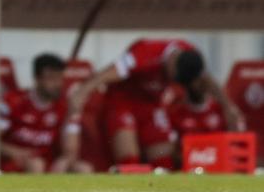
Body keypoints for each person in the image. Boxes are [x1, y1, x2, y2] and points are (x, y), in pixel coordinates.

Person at [69, 38, 244, 169]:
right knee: (129, 158)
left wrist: (228, 106)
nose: (171, 81)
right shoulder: (146, 51)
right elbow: (113, 70)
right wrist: (83, 91)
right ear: (172, 61)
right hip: (123, 102)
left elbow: (205, 77)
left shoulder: (190, 53)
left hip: (152, 105)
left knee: (164, 159)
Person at [0, 53, 91, 173]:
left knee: (83, 168)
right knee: (36, 164)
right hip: (16, 164)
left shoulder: (66, 106)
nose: (57, 84)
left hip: (49, 165)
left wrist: (65, 161)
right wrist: (15, 152)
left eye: (59, 78)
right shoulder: (12, 102)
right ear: (37, 78)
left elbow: (71, 150)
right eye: (51, 78)